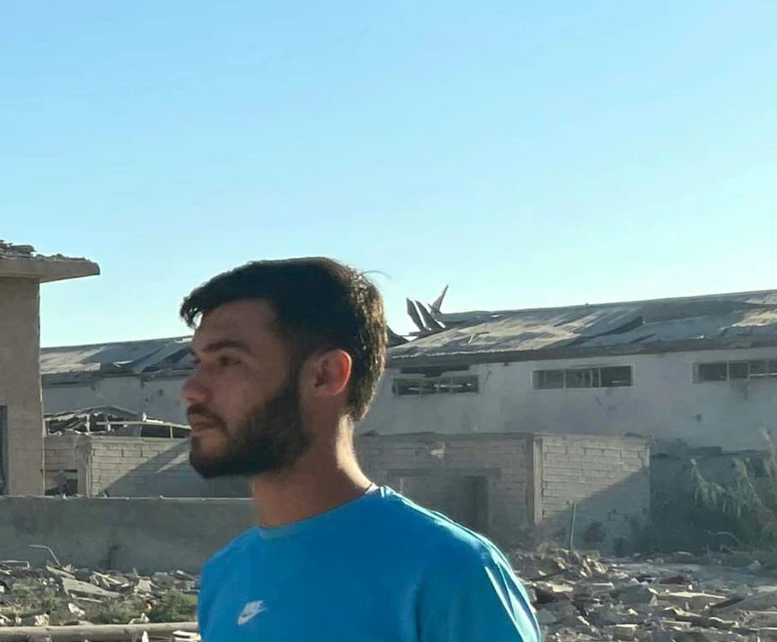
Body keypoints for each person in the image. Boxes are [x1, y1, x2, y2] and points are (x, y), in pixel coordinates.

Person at [178, 258, 540, 641]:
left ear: (326, 374)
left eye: (229, 361)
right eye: (198, 362)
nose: (192, 389)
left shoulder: (449, 571)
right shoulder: (226, 575)